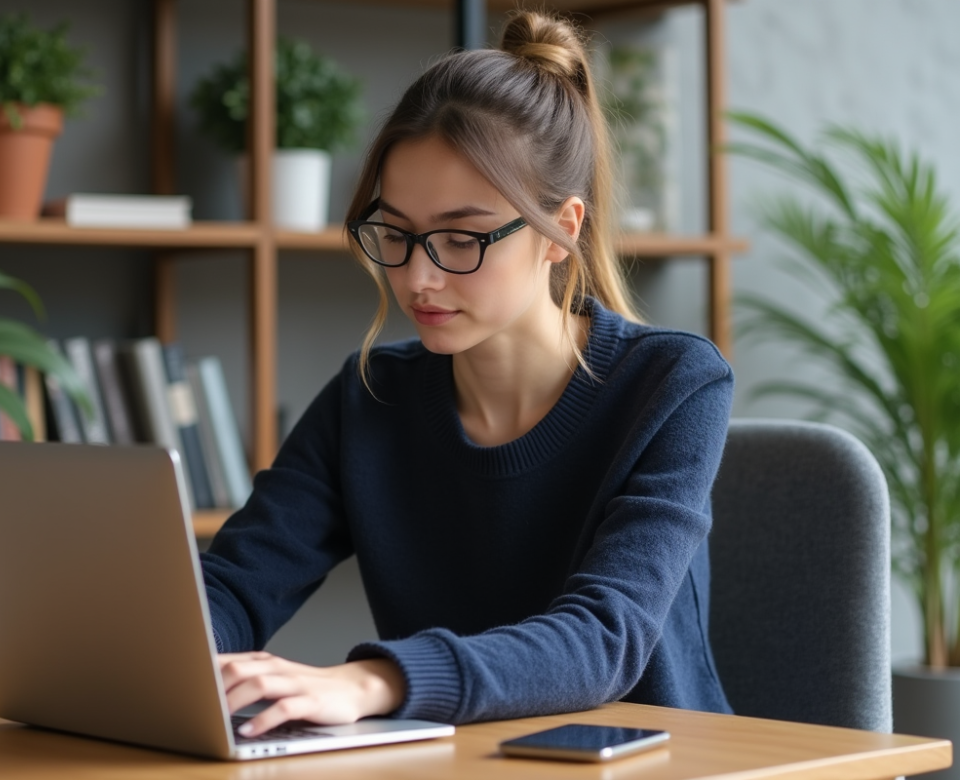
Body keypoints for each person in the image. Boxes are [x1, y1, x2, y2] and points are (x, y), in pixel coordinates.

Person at [201, 9, 734, 738]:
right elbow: (235, 585)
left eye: (462, 237)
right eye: (396, 233)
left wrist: (373, 680)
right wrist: (138, 648)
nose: (419, 277)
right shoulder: (368, 400)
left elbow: (603, 640)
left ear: (561, 232)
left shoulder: (671, 385)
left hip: (658, 761)